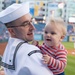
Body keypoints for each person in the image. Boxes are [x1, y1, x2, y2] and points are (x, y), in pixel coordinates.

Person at [0, 2, 53, 75]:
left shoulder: (9, 48)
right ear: (11, 31)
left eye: (31, 21)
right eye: (25, 24)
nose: (33, 28)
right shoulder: (30, 52)